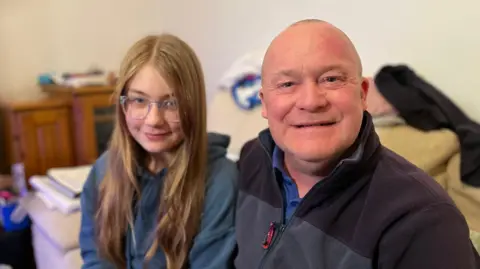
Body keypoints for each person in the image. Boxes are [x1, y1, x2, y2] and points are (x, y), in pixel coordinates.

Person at [235, 19, 480, 268]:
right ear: (264, 103)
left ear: (363, 94)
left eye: (331, 79)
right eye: (287, 84)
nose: (310, 101)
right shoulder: (252, 160)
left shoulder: (426, 221)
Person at [79, 34, 237, 269]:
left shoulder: (221, 181)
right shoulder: (104, 169)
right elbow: (96, 258)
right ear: (123, 104)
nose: (154, 120)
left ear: (193, 107)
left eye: (171, 103)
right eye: (139, 101)